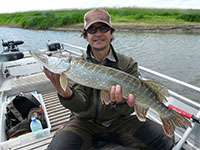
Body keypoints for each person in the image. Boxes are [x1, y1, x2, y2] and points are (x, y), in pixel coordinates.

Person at [45, 8, 175, 150]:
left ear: (111, 33)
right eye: (92, 30)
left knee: (164, 139)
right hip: (84, 123)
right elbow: (80, 106)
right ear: (86, 35)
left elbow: (128, 110)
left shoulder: (128, 64)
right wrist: (64, 92)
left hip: (120, 122)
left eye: (103, 28)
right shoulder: (77, 65)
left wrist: (120, 103)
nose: (98, 34)